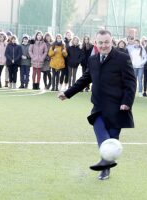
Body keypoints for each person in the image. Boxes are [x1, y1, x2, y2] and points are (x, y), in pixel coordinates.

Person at [58, 29, 136, 180]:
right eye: (100, 42)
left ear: (111, 41)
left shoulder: (122, 58)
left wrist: (127, 102)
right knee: (99, 128)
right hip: (99, 106)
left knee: (112, 140)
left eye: (106, 42)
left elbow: (131, 82)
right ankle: (105, 163)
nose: (104, 45)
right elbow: (85, 79)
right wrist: (68, 93)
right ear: (96, 43)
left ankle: (105, 168)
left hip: (117, 107)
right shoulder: (93, 59)